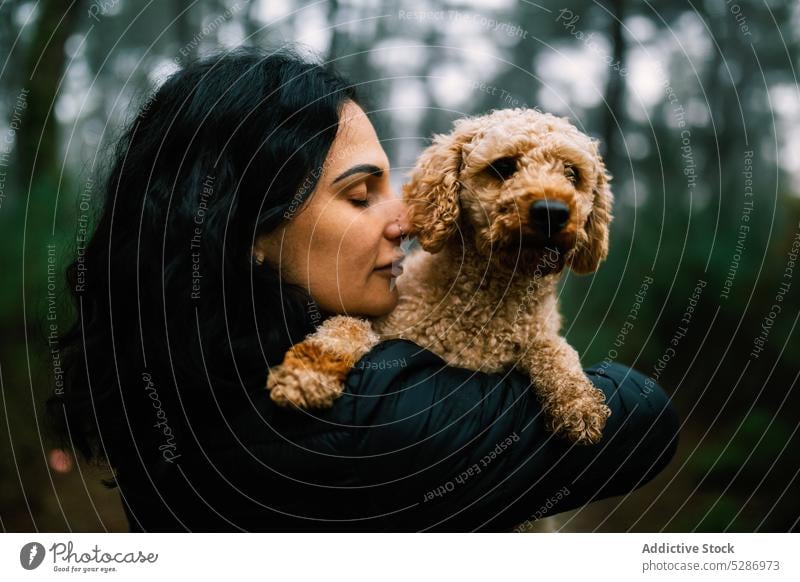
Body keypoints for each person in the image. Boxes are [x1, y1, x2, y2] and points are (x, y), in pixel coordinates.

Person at [47, 47, 680, 532]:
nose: (402, 221)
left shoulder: (167, 385)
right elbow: (641, 417)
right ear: (244, 228)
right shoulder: (357, 418)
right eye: (359, 194)